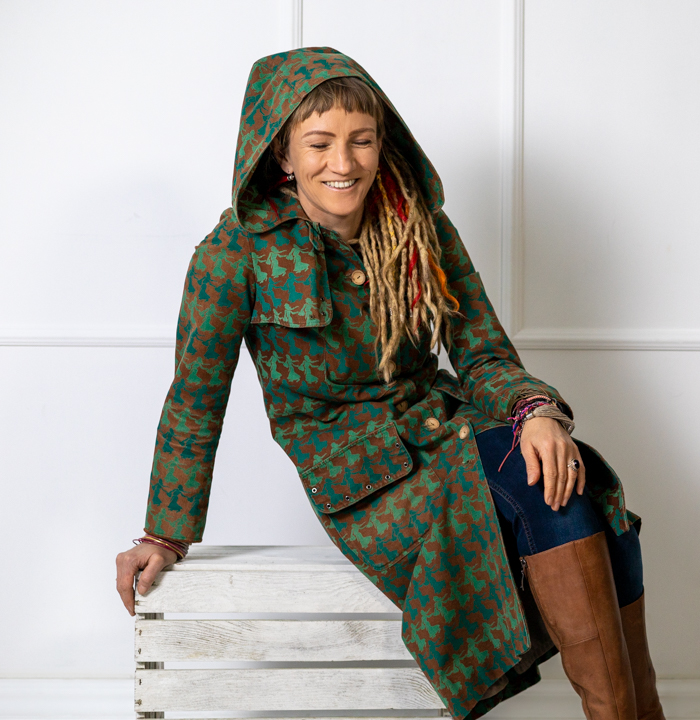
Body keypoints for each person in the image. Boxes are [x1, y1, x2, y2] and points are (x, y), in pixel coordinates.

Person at [114, 47, 664, 720]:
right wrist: (164, 533)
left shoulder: (419, 225)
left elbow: (482, 352)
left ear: (382, 143)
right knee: (548, 490)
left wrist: (536, 410)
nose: (343, 163)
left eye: (362, 140)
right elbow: (195, 403)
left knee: (575, 482)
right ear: (282, 153)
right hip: (363, 476)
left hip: (448, 428)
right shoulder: (234, 254)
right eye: (319, 143)